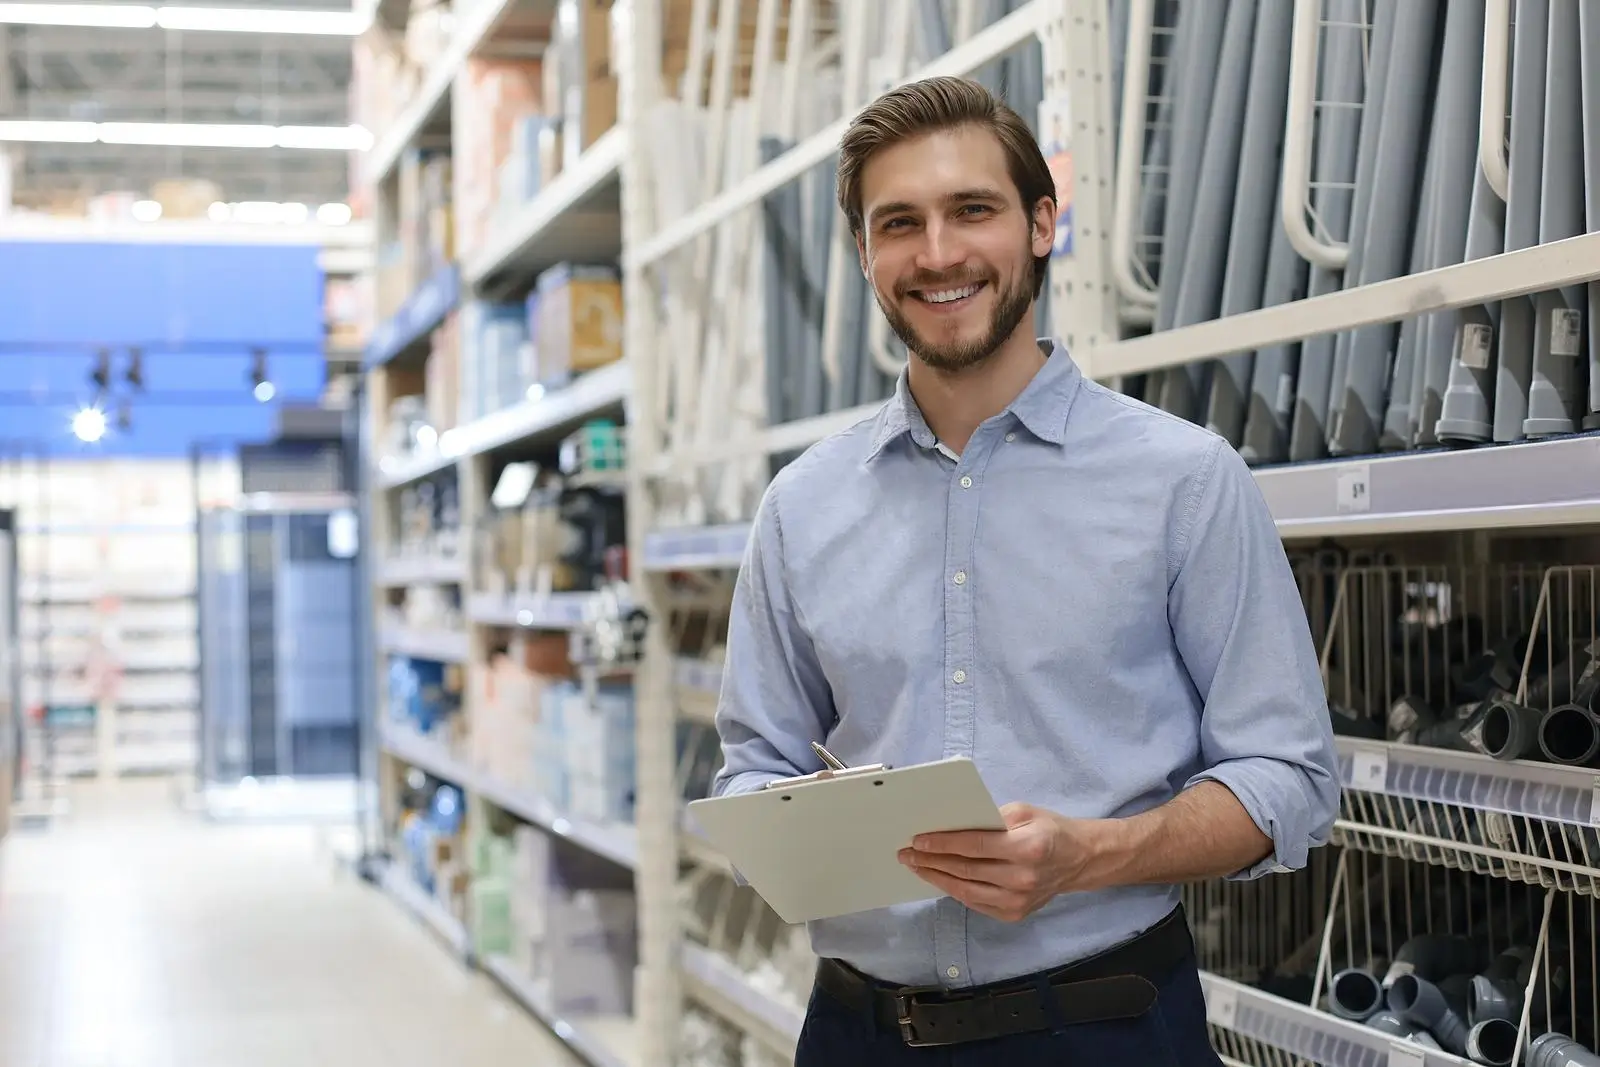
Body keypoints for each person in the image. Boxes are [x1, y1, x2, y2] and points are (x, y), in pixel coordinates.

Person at [709, 75, 1339, 1065]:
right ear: (865, 254)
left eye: (973, 210)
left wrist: (1093, 852)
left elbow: (1285, 776)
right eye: (898, 223)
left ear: (1042, 222)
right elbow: (755, 765)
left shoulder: (1183, 479)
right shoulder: (802, 506)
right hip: (857, 1032)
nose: (939, 253)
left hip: (1110, 1025)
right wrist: (807, 826)